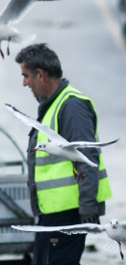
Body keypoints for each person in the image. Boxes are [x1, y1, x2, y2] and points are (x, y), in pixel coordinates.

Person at [15, 43, 112, 265]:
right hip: (52, 213)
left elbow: (87, 156)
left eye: (26, 76)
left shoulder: (71, 106)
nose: (24, 83)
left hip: (69, 213)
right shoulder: (53, 105)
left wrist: (88, 205)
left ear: (40, 74)